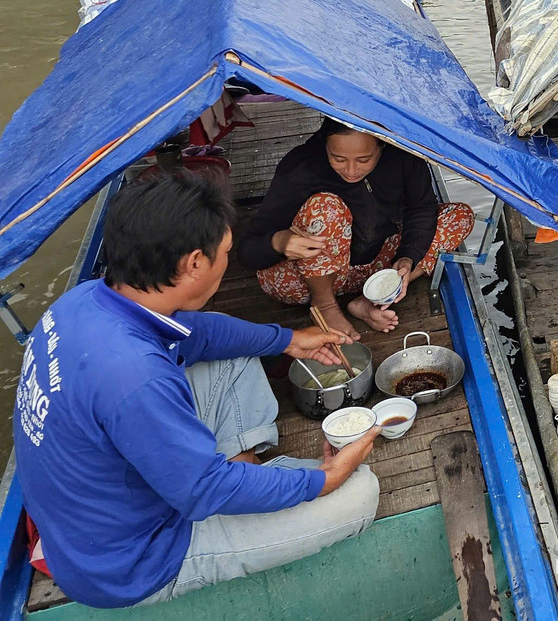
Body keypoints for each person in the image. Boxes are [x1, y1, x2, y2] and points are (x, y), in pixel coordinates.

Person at [13, 173, 379, 608]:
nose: (228, 262)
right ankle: (250, 483)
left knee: (237, 356)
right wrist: (325, 480)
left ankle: (246, 473)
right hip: (135, 558)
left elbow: (197, 333)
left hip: (96, 509)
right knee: (360, 491)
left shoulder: (85, 300)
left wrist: (288, 340)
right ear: (193, 264)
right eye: (225, 253)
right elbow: (202, 492)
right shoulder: (135, 377)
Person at [239, 118, 474, 339]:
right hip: (305, 282)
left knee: (459, 216)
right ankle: (325, 305)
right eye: (338, 159)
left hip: (376, 270)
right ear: (325, 146)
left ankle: (370, 300)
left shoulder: (404, 157)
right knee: (325, 206)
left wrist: (408, 257)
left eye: (364, 160)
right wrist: (280, 241)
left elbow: (421, 209)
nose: (351, 170)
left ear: (382, 146)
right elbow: (248, 250)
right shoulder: (302, 166)